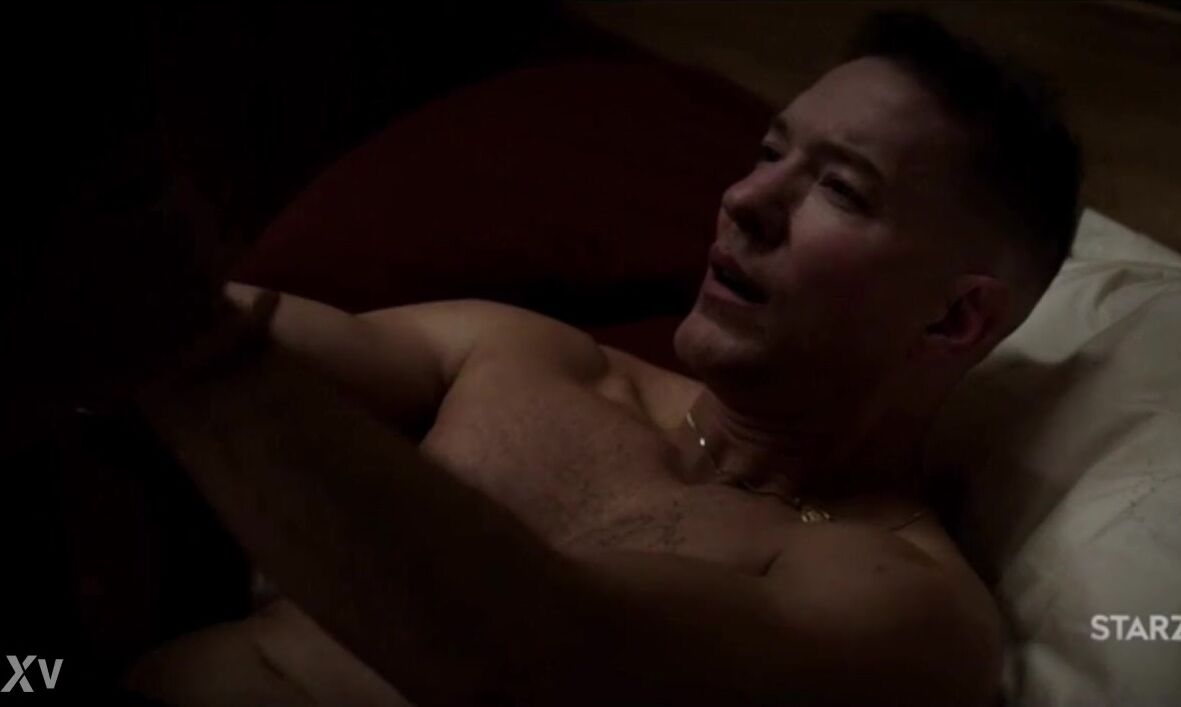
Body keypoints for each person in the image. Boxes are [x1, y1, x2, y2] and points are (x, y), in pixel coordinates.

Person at [121, 13, 1081, 707]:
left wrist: (183, 340)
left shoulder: (907, 610)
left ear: (955, 317)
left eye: (840, 187)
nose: (745, 199)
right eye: (768, 152)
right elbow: (255, 331)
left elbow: (539, 664)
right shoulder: (526, 354)